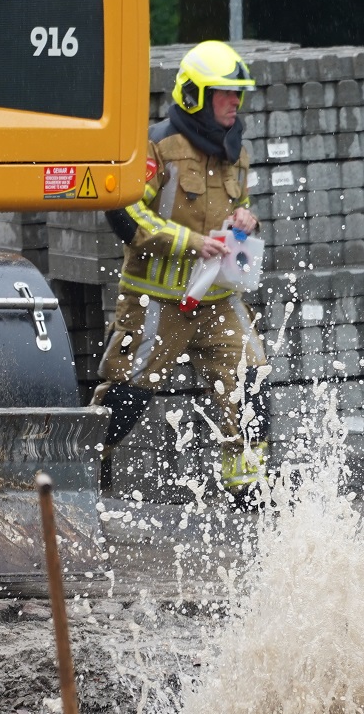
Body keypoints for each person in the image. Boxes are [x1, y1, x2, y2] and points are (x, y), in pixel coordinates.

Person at [92, 40, 268, 496]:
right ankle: (86, 470)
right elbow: (124, 211)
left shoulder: (237, 154)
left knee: (251, 385)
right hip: (156, 302)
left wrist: (246, 221)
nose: (235, 102)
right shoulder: (158, 147)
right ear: (195, 96)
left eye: (238, 94)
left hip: (217, 301)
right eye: (224, 93)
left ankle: (247, 489)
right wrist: (190, 243)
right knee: (126, 398)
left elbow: (237, 207)